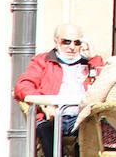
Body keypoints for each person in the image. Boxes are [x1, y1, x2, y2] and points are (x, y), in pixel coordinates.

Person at [13, 23, 105, 157]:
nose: (72, 47)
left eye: (77, 42)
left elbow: (104, 83)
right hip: (52, 116)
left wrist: (94, 58)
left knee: (95, 129)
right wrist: (45, 104)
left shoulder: (88, 63)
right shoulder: (43, 61)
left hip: (81, 117)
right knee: (46, 129)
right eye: (66, 42)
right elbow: (22, 85)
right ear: (56, 42)